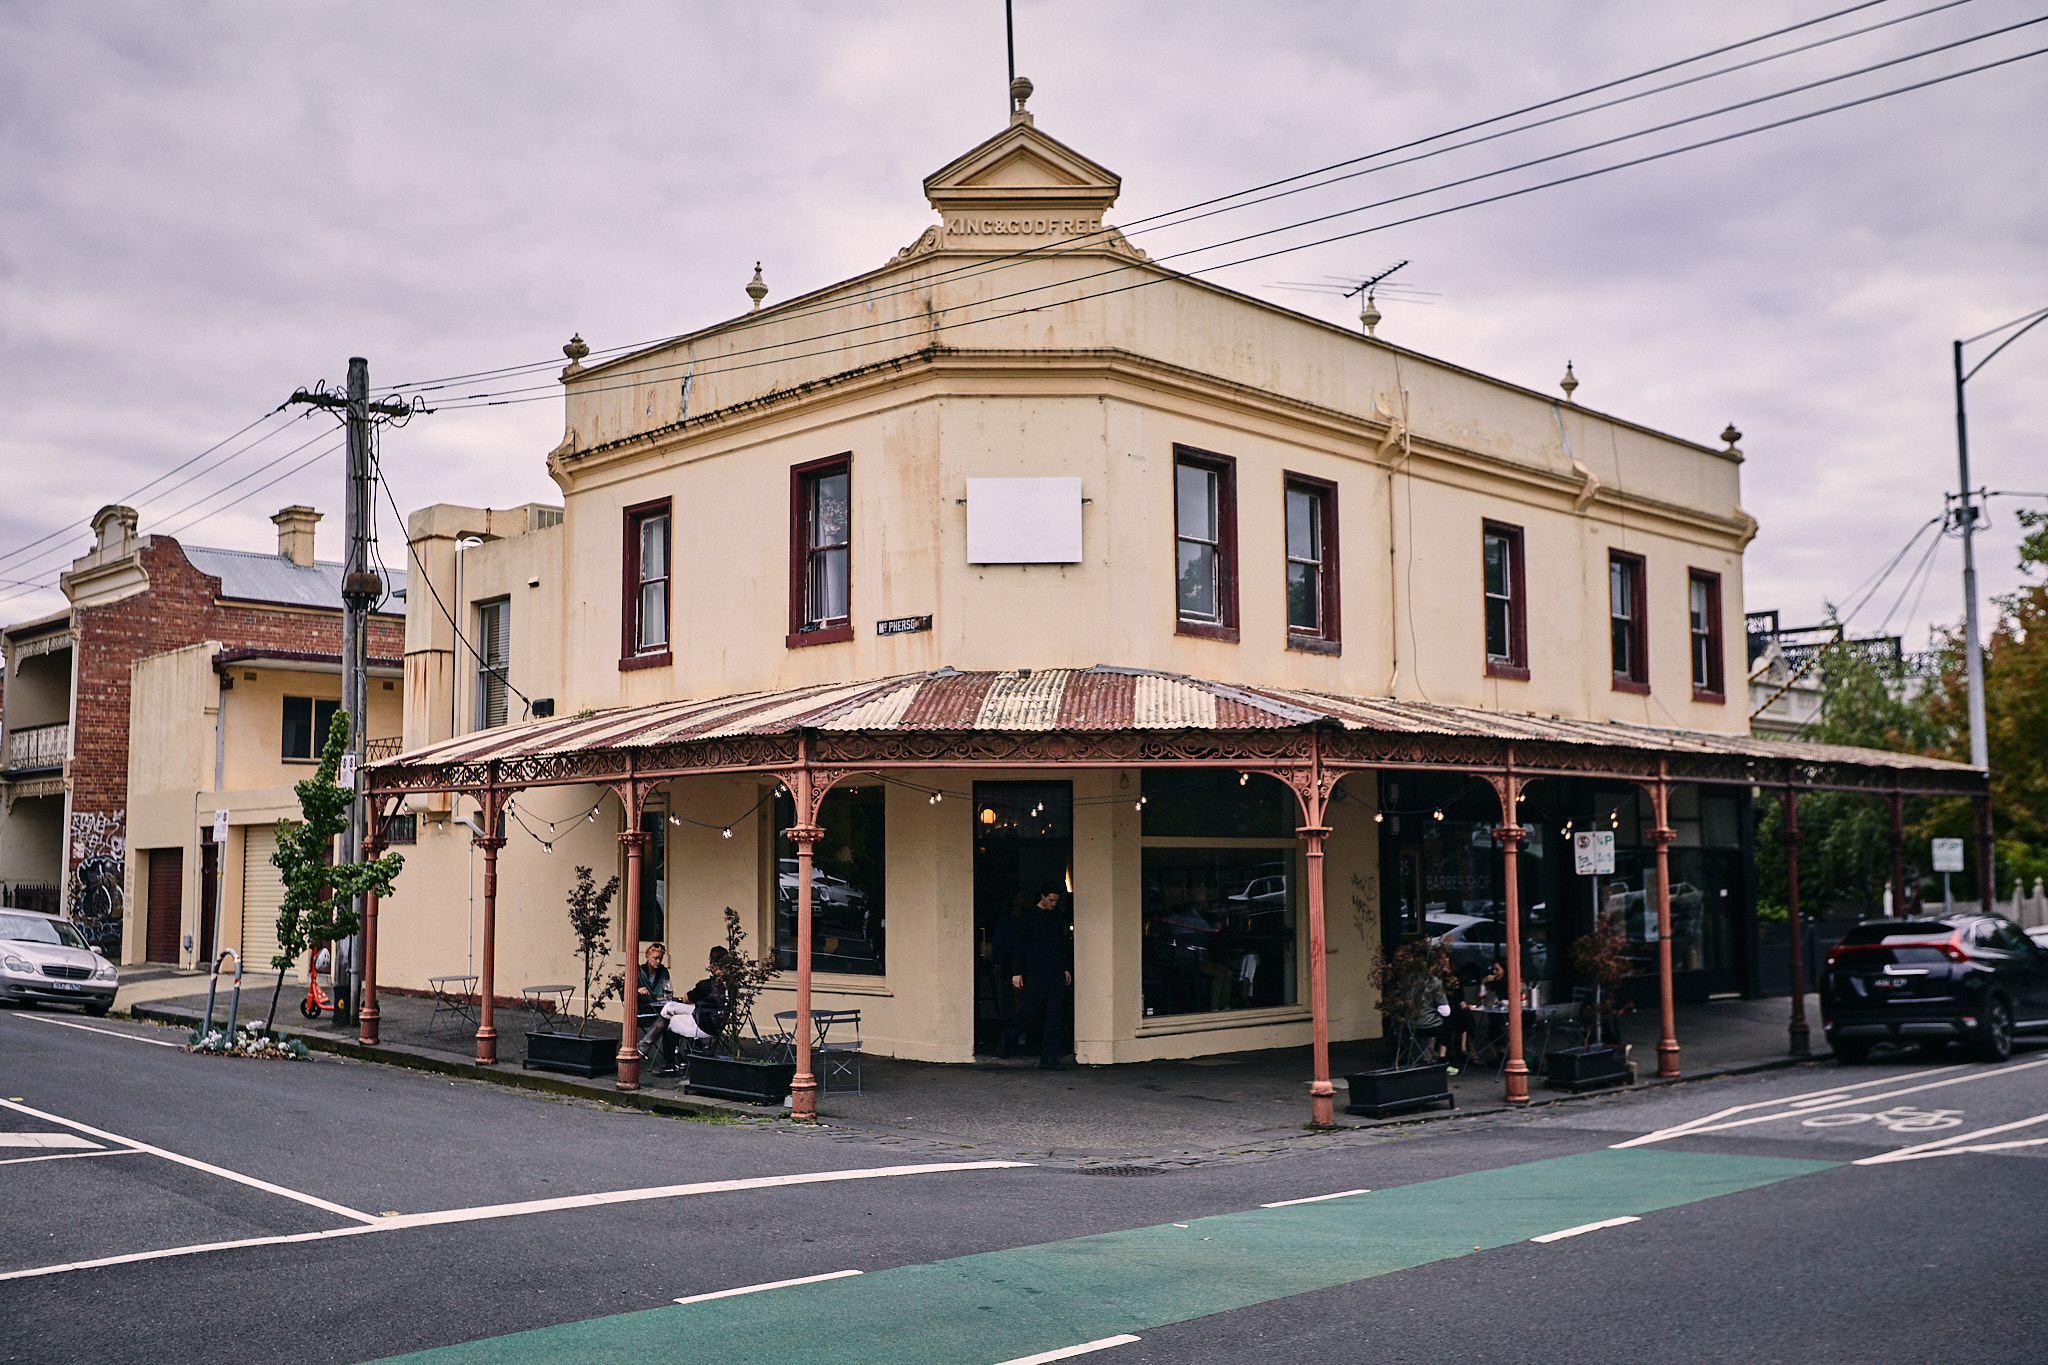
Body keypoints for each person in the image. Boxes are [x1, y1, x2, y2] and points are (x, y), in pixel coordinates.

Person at [999, 884, 1073, 1070]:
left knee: (1054, 1016)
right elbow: (1020, 944)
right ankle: (1007, 1038)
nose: (1054, 904)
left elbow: (1060, 944)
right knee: (1028, 1010)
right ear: (1042, 896)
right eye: (1051, 900)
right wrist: (1017, 972)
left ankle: (1049, 1058)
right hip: (1035, 971)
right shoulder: (1029, 915)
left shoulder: (1056, 915)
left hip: (1054, 971)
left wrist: (1064, 968)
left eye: (1056, 900)